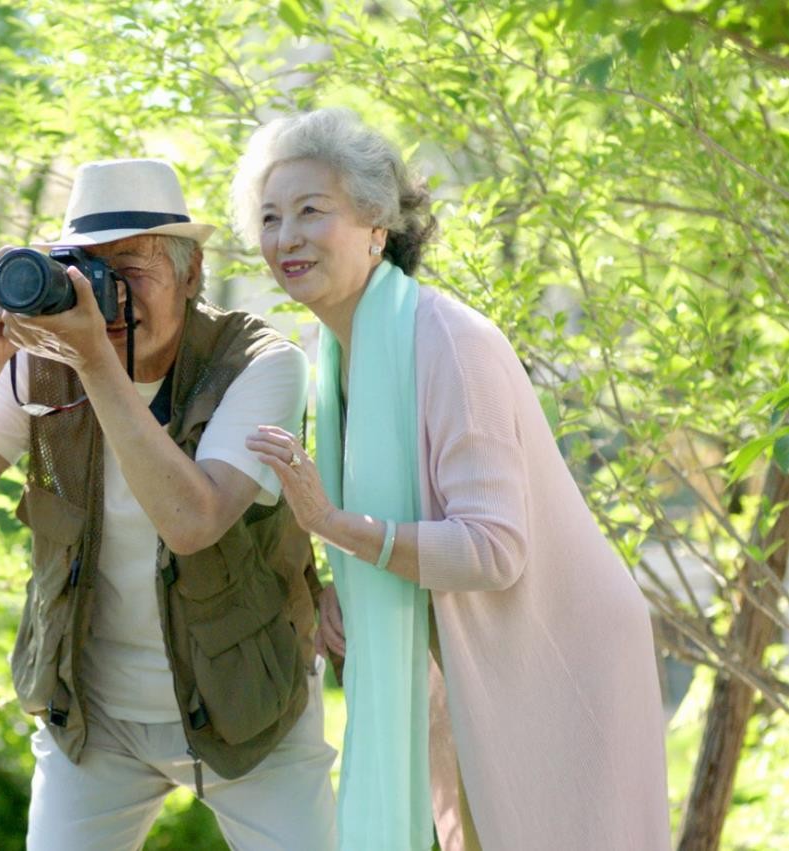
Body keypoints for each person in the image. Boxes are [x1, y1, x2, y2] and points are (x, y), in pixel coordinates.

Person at [236, 108, 671, 851]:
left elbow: (492, 548)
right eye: (270, 217)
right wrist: (346, 583)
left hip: (553, 660)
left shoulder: (448, 341)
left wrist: (335, 527)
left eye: (312, 211)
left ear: (377, 224)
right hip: (457, 665)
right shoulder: (336, 357)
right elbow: (393, 528)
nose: (286, 237)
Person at [0, 158, 337, 851]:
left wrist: (96, 364)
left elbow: (192, 521)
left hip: (247, 710)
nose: (105, 296)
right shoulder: (43, 362)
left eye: (130, 271)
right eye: (87, 271)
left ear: (191, 273)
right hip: (92, 715)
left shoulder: (260, 364)